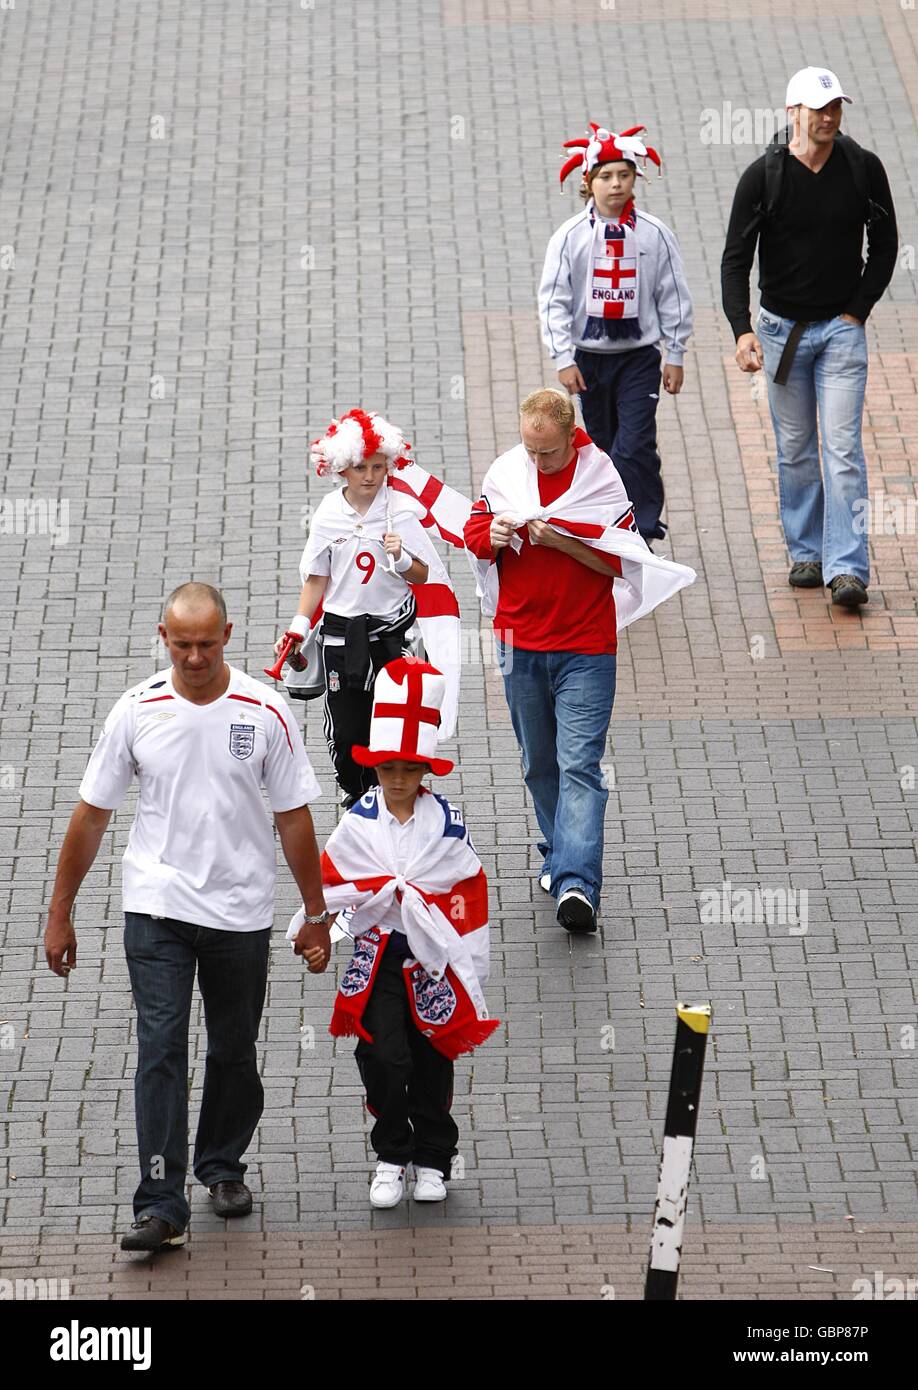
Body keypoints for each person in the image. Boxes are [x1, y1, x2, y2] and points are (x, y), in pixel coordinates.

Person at [43, 583, 330, 1252]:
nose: (194, 657)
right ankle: (160, 1202)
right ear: (162, 636)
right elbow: (91, 815)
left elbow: (294, 819)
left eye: (206, 643)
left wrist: (317, 913)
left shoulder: (265, 711)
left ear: (228, 635)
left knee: (234, 1048)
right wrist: (61, 913)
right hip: (158, 905)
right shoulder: (136, 710)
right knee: (161, 1047)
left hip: (239, 909)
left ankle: (222, 1165)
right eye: (182, 643)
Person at [463, 389, 694, 936]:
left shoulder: (600, 478)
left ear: (572, 437)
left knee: (580, 767)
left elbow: (621, 560)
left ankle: (577, 884)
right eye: (530, 450)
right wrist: (492, 534)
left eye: (547, 452)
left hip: (586, 648)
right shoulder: (507, 475)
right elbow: (472, 535)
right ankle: (560, 850)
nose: (537, 463)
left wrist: (561, 542)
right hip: (519, 644)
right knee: (537, 763)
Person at [290, 658, 498, 1208]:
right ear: (375, 769)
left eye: (409, 768)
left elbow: (466, 892)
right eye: (387, 769)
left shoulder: (448, 828)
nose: (399, 779)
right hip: (378, 952)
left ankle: (434, 1157)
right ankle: (391, 1154)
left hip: (433, 959)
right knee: (382, 1055)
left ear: (425, 769)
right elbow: (333, 882)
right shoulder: (357, 821)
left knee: (432, 1055)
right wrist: (315, 931)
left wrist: (469, 962)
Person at [721, 66, 898, 609]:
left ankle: (847, 569)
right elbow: (735, 259)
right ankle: (807, 553)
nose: (828, 117)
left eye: (835, 107)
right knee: (796, 450)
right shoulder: (763, 176)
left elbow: (886, 244)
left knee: (842, 450)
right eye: (818, 108)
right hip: (780, 335)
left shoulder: (862, 168)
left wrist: (858, 309)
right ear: (792, 112)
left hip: (841, 334)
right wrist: (742, 328)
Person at [539, 122, 693, 544]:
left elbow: (673, 293)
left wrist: (675, 353)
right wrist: (564, 359)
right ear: (588, 182)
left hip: (639, 355)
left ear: (635, 178)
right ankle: (611, 522)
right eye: (606, 176)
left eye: (624, 174)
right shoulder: (570, 237)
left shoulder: (654, 233)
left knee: (636, 442)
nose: (616, 184)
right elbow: (553, 298)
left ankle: (642, 525)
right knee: (604, 446)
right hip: (590, 358)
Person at [277, 409, 431, 809]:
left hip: (392, 634)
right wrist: (297, 627)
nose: (369, 476)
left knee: (395, 724)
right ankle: (354, 791)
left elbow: (422, 574)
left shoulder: (401, 509)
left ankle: (394, 798)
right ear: (341, 469)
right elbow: (316, 578)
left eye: (378, 466)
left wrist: (399, 559)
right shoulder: (328, 514)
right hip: (342, 635)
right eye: (360, 467)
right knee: (347, 730)